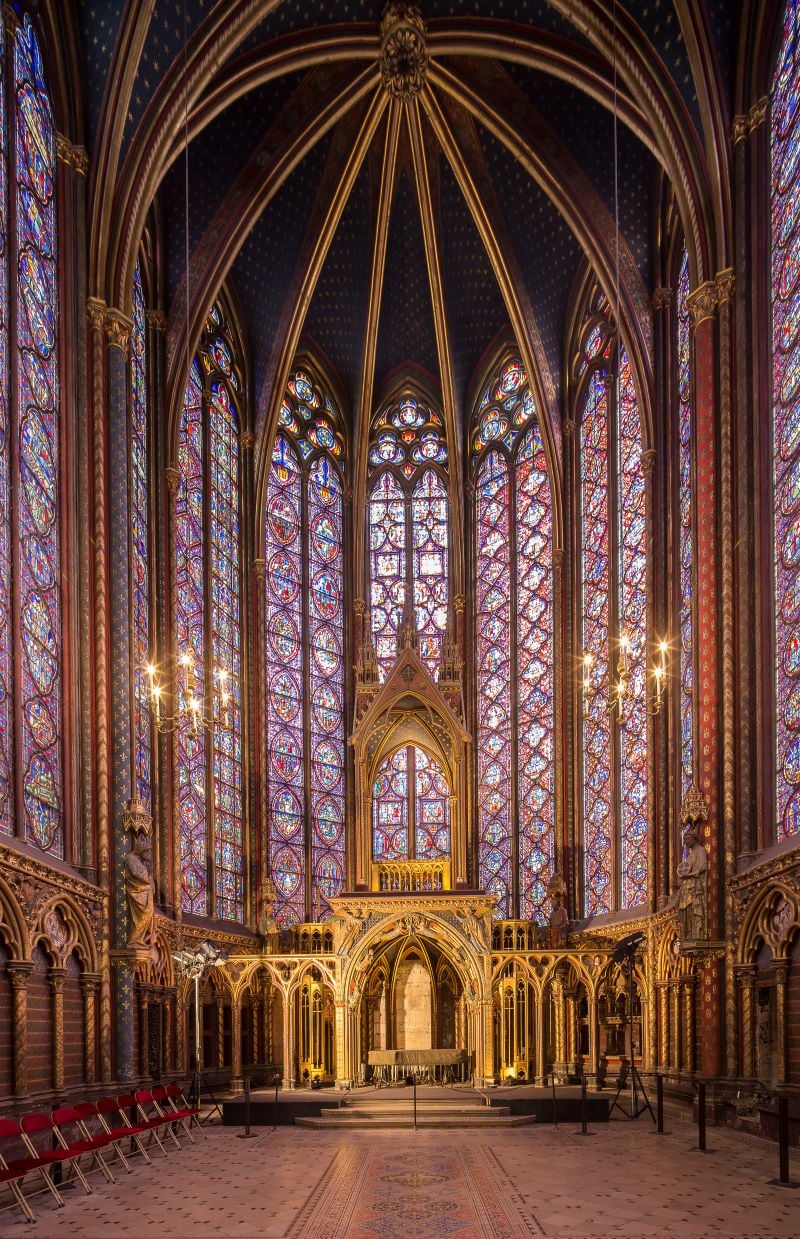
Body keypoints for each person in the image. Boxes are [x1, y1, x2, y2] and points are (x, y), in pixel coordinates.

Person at [676, 827, 708, 939]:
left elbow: (703, 867)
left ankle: (697, 933)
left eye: (688, 839)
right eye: (685, 840)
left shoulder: (700, 850)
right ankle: (689, 932)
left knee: (694, 908)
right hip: (687, 886)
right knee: (684, 910)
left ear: (695, 839)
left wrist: (689, 875)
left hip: (694, 885)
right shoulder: (690, 854)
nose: (686, 842)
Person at [124, 836, 155, 947]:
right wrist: (148, 880)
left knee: (148, 915)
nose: (148, 854)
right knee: (142, 916)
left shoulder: (138, 860)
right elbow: (135, 873)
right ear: (141, 850)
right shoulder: (130, 858)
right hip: (137, 891)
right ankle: (134, 940)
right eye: (146, 851)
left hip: (144, 891)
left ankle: (140, 939)